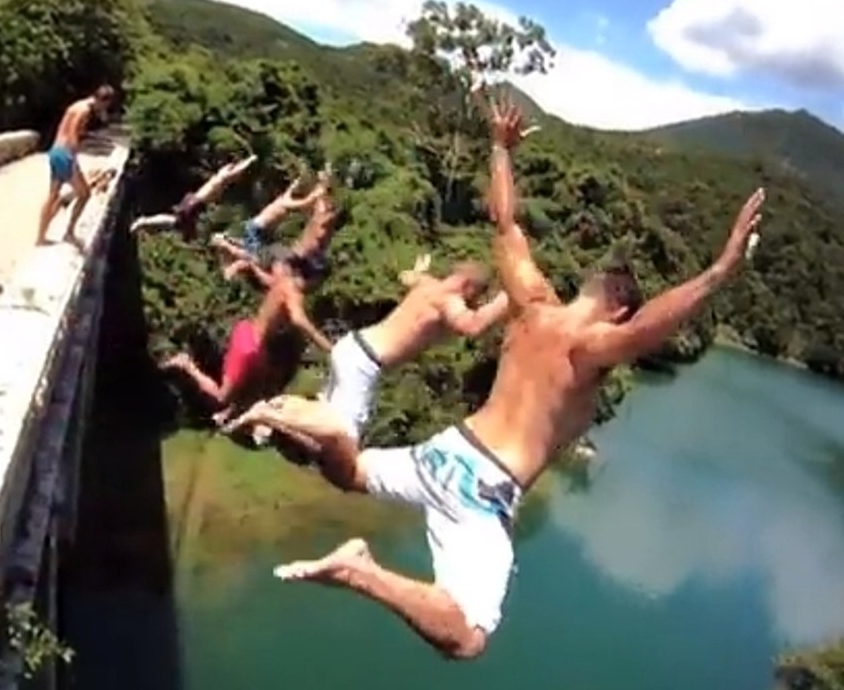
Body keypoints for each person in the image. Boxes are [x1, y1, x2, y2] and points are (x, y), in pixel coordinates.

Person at [232, 94, 766, 661]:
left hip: (443, 452)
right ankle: (359, 570)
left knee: (351, 470)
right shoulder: (591, 346)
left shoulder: (533, 304)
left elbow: (504, 220)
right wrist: (717, 273)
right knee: (467, 638)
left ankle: (329, 427)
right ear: (619, 312)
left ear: (589, 287)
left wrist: (499, 149)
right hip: (482, 491)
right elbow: (649, 331)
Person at [224, 253, 509, 447]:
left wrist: (419, 270)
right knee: (346, 436)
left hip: (353, 347)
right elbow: (472, 326)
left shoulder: (427, 285)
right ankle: (269, 414)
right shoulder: (449, 302)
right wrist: (507, 299)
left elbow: (406, 276)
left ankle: (277, 407)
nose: (474, 302)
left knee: (325, 416)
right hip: (364, 362)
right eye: (476, 296)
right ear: (467, 286)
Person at [160, 260, 334, 424]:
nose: (318, 287)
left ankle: (228, 415)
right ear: (315, 278)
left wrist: (243, 266)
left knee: (257, 388)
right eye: (320, 282)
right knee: (222, 396)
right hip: (248, 347)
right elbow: (298, 319)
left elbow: (261, 277)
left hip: (251, 338)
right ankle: (186, 364)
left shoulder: (283, 281)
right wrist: (329, 347)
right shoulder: (295, 293)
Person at [37, 84, 117, 248]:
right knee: (84, 194)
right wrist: (73, 157)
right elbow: (73, 133)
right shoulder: (85, 111)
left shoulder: (77, 105)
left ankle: (41, 237)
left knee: (53, 195)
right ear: (103, 101)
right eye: (105, 105)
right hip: (65, 154)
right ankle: (69, 232)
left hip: (55, 150)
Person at [211, 165, 330, 268]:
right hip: (257, 230)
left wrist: (299, 181)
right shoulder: (286, 203)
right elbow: (306, 201)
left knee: (277, 252)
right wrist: (320, 190)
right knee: (258, 259)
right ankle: (224, 243)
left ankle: (229, 240)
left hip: (261, 230)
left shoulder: (285, 197)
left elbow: (292, 189)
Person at [129, 155, 259, 240]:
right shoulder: (221, 179)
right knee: (175, 221)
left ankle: (144, 222)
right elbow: (233, 173)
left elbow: (232, 173)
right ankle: (143, 222)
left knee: (175, 221)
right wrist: (250, 161)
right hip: (195, 203)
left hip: (196, 202)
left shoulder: (220, 179)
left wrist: (247, 161)